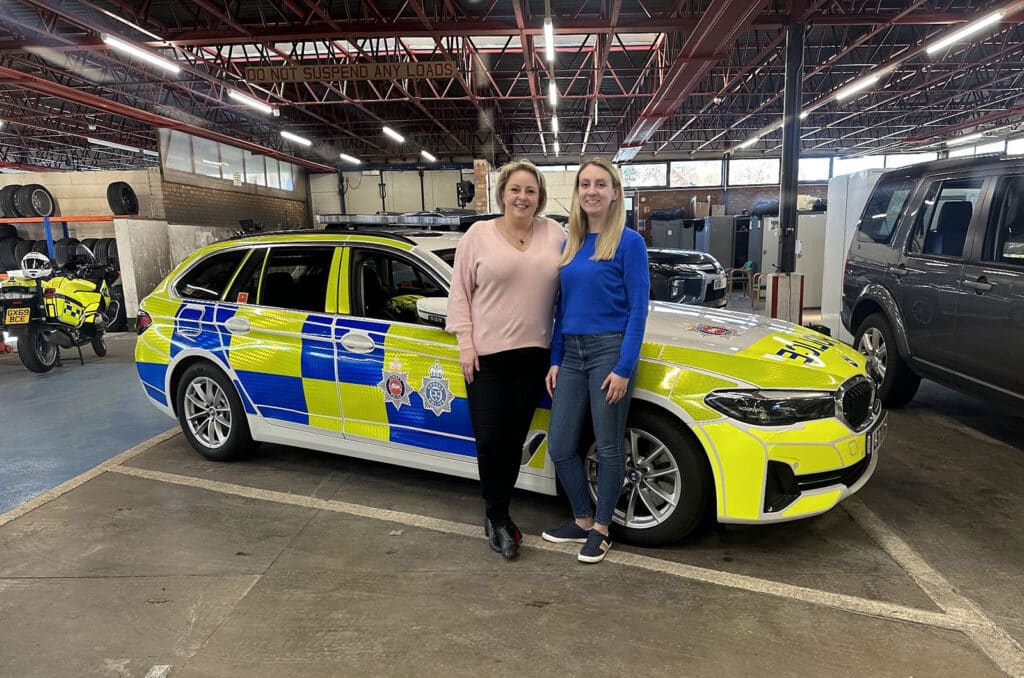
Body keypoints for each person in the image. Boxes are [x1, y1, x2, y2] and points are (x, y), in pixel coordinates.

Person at [446, 160, 565, 560]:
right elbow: (460, 294)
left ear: (540, 197)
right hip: (487, 358)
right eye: (515, 189)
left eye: (530, 191)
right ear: (502, 194)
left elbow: (573, 288)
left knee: (513, 442)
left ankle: (500, 512)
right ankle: (495, 515)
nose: (523, 197)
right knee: (491, 441)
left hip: (534, 356)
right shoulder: (477, 235)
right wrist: (466, 344)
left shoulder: (555, 234)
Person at [541, 158, 649, 564]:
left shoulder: (629, 242)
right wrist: (555, 358)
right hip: (571, 353)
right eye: (585, 184)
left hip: (609, 351)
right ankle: (582, 519)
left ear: (615, 192)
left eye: (600, 184)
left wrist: (623, 367)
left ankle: (603, 529)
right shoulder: (570, 242)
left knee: (607, 446)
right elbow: (560, 308)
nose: (591, 191)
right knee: (561, 444)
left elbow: (639, 309)